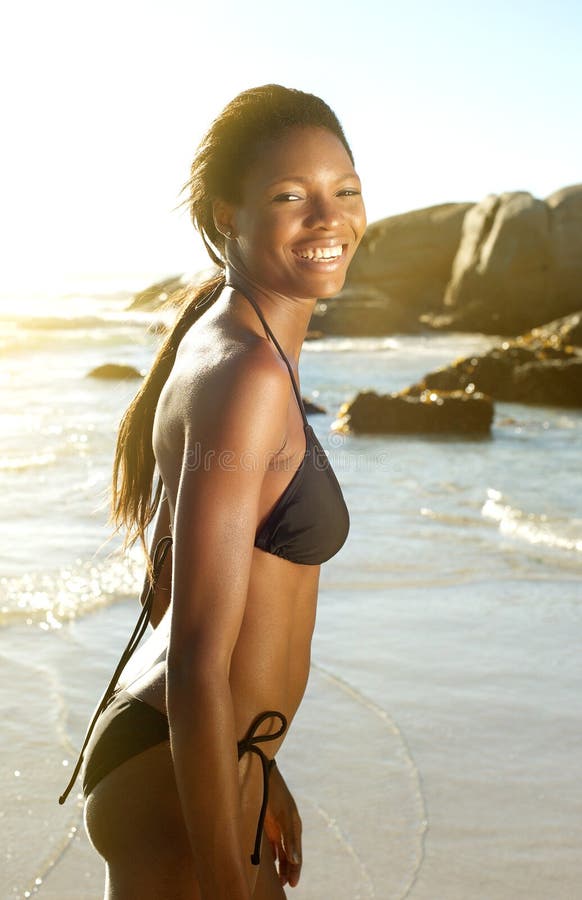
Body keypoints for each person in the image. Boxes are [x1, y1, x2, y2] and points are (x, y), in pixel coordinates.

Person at [59, 83, 367, 899]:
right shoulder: (248, 375)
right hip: (178, 765)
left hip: (197, 757)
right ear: (228, 213)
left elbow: (170, 588)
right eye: (290, 196)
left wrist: (264, 767)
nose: (328, 219)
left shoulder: (232, 344)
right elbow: (196, 661)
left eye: (344, 192)